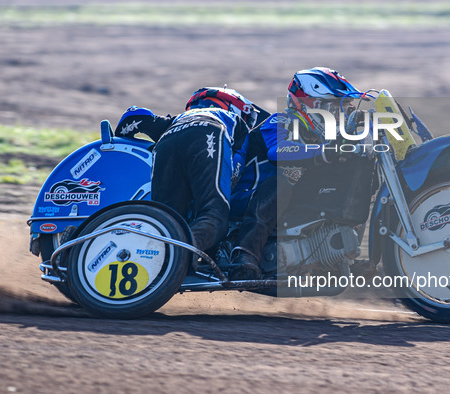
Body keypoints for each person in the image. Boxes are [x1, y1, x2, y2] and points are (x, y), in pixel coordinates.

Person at [229, 67, 364, 278]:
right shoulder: (280, 121)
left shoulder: (319, 140)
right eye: (334, 109)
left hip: (281, 210)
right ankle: (244, 255)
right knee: (278, 185)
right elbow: (277, 151)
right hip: (243, 199)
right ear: (310, 105)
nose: (338, 117)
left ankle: (341, 256)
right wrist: (324, 152)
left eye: (342, 109)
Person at [116, 87, 260, 254]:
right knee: (214, 218)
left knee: (165, 221)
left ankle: (151, 259)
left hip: (165, 141)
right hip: (210, 132)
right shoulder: (234, 119)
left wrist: (118, 136)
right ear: (234, 107)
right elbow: (235, 168)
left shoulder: (177, 119)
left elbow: (135, 115)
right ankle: (178, 256)